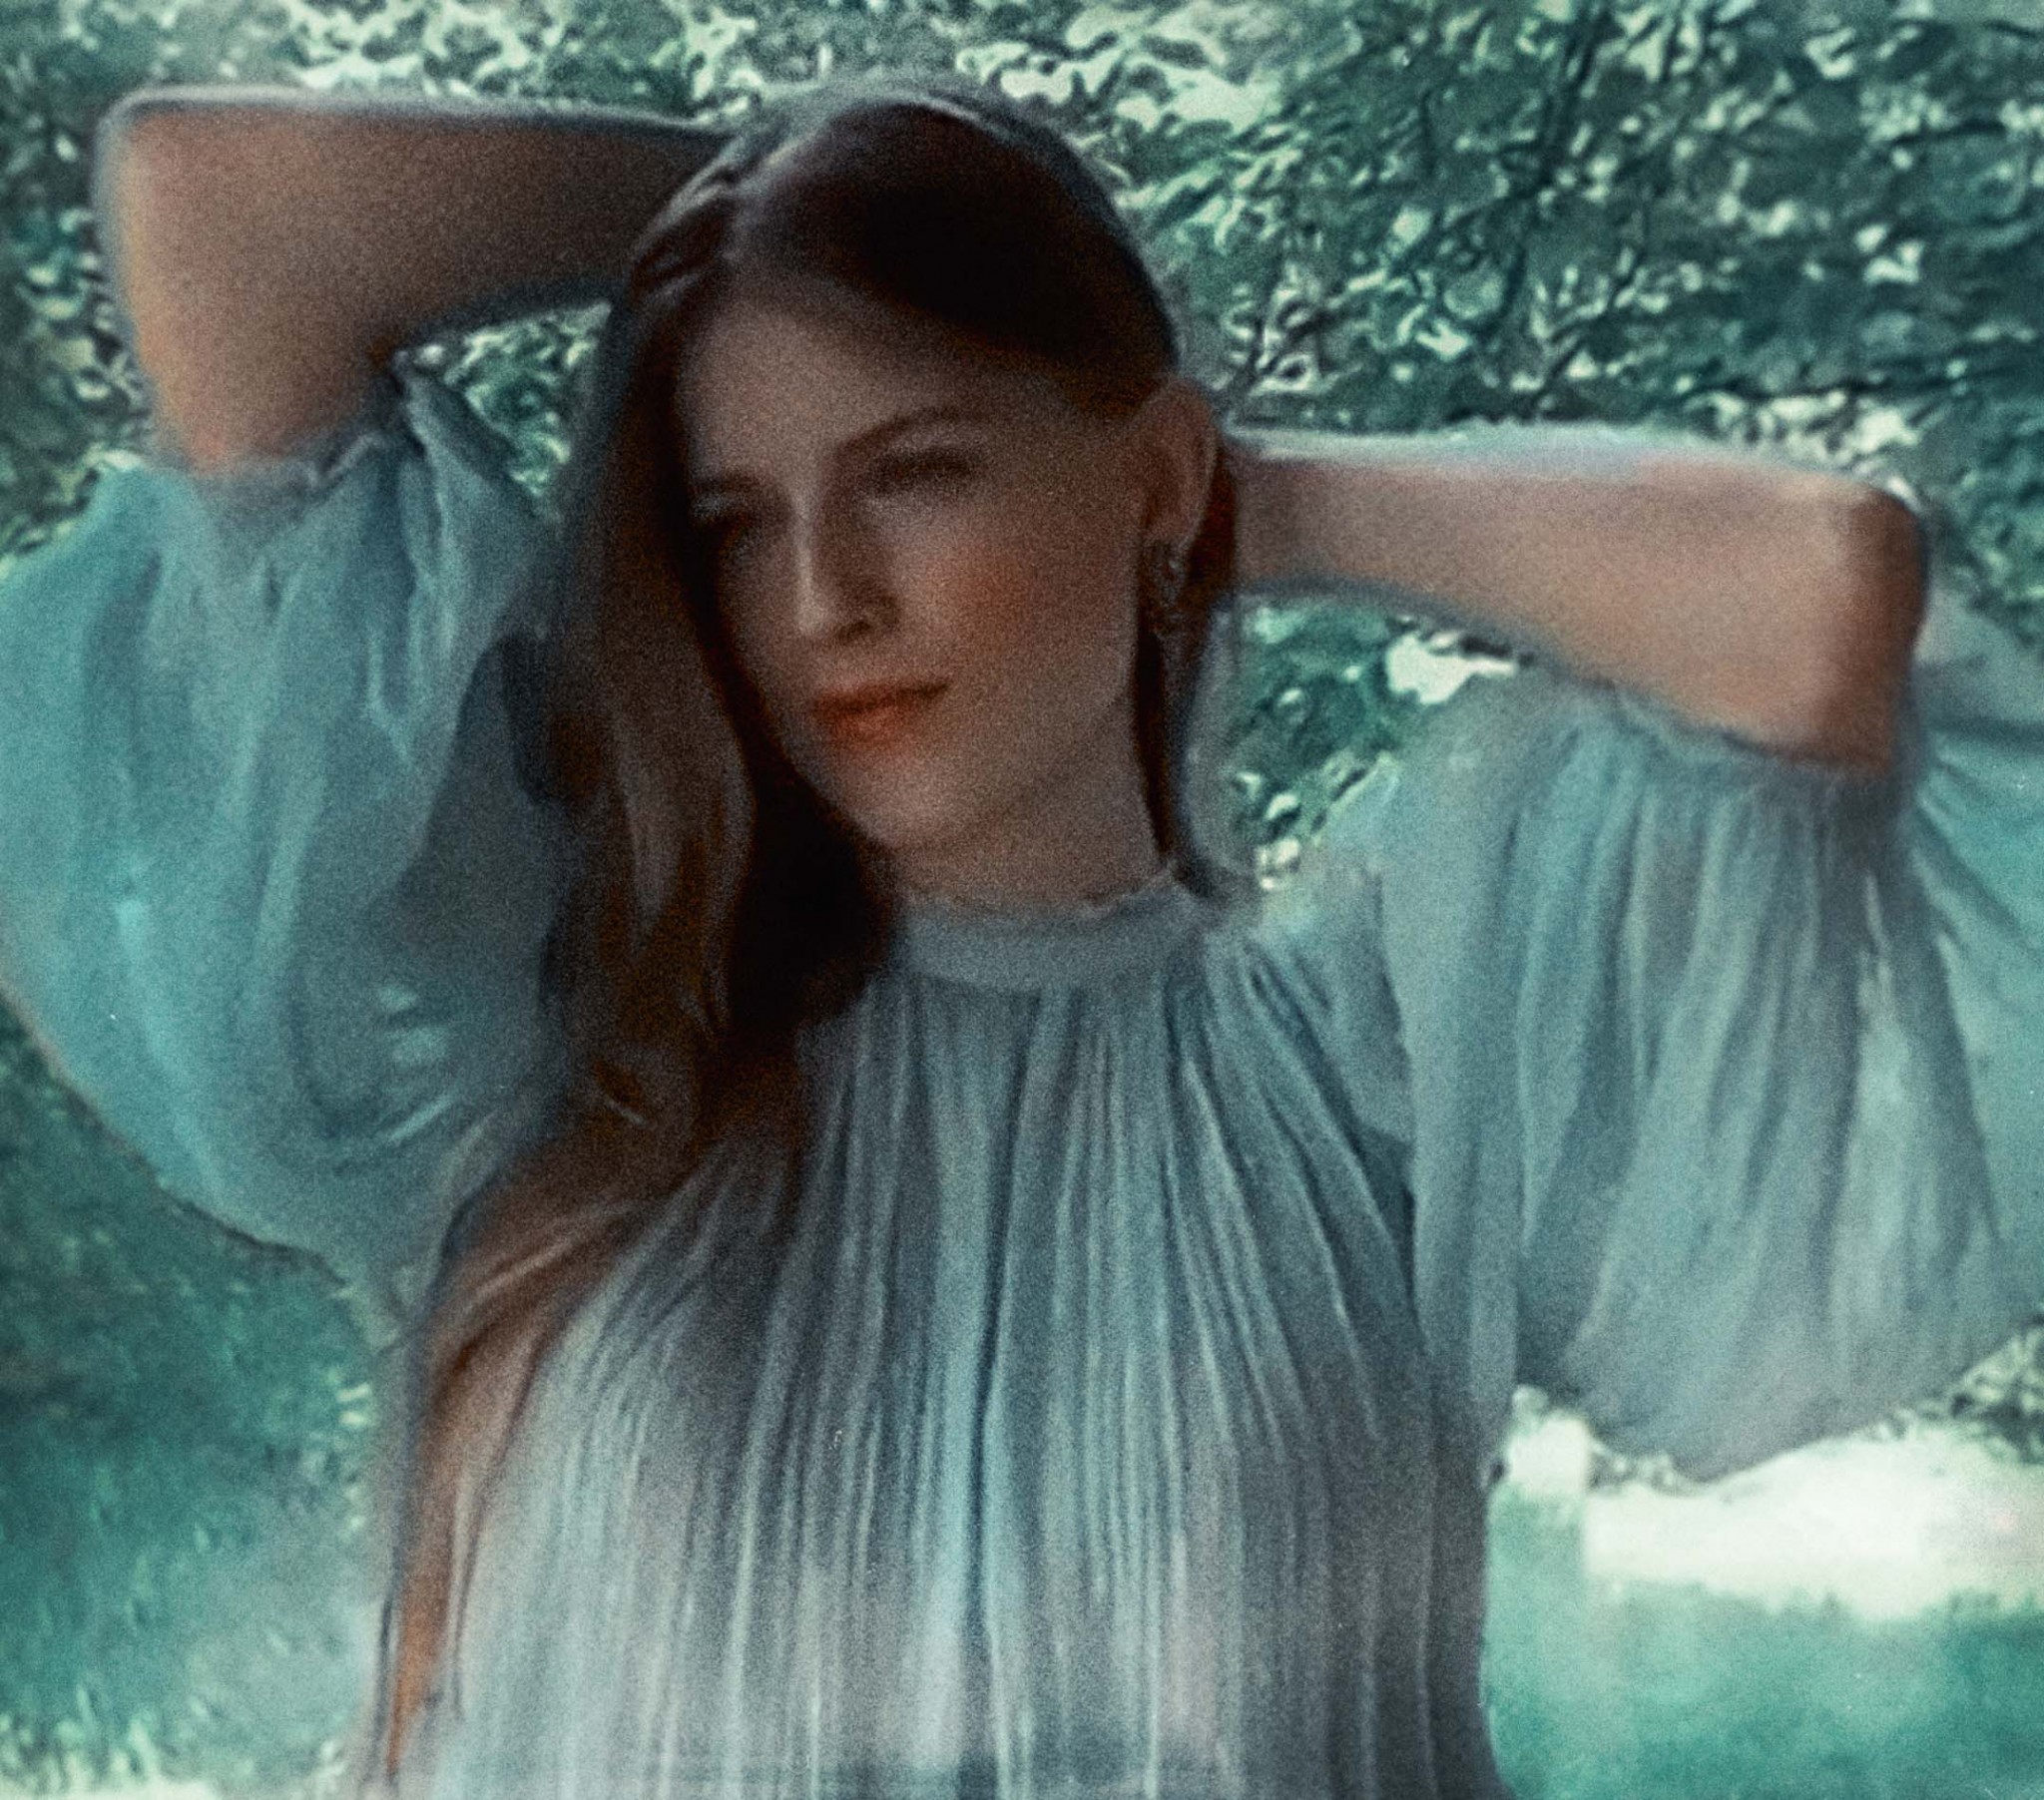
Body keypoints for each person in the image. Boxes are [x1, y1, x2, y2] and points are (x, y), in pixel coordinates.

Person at [2, 70, 2040, 1800]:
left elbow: (1814, 597)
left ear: (1153, 473)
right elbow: (214, 211)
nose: (826, 597)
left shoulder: (1375, 1074)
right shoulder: (564, 1021)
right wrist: (799, 198)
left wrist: (1220, 485)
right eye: (736, 522)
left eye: (918, 474)